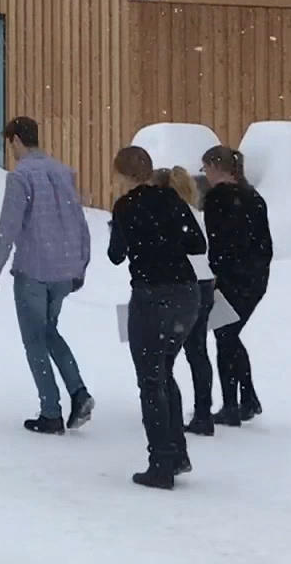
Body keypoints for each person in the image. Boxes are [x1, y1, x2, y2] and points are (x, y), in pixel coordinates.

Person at [0, 116, 95, 435]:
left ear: (17, 140)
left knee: (35, 339)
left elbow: (9, 226)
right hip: (64, 269)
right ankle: (78, 392)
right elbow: (79, 220)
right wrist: (81, 263)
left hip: (34, 269)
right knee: (49, 332)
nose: (12, 150)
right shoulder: (63, 172)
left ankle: (52, 412)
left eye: (11, 143)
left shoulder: (21, 177)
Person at [108, 146, 207, 490]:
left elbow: (115, 256)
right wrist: (168, 237)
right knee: (165, 372)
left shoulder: (125, 207)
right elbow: (198, 245)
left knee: (151, 380)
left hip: (151, 296)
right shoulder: (171, 199)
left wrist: (129, 230)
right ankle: (177, 452)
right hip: (187, 295)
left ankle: (161, 463)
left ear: (122, 176)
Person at [201, 144, 273, 427]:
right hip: (255, 278)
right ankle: (248, 399)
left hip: (231, 277)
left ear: (217, 168)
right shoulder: (253, 196)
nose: (205, 174)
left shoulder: (218, 198)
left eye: (205, 168)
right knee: (230, 334)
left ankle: (232, 404)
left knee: (224, 336)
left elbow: (218, 243)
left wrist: (214, 274)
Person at [156, 166, 217, 436]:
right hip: (205, 284)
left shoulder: (170, 217)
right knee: (198, 350)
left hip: (181, 285)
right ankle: (203, 412)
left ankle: (165, 404)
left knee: (164, 351)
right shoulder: (199, 215)